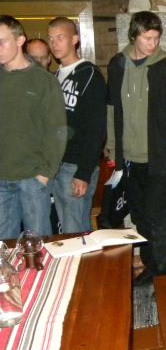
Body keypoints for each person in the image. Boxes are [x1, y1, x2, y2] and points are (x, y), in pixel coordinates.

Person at [107, 11, 166, 285]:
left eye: (156, 38)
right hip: (129, 159)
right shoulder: (117, 64)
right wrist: (114, 149)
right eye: (147, 38)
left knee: (159, 217)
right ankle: (150, 267)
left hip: (159, 158)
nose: (153, 44)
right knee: (139, 216)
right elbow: (111, 110)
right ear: (134, 36)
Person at [0, 15, 66, 239]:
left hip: (32, 178)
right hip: (1, 177)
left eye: (2, 42)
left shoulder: (43, 80)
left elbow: (57, 130)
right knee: (4, 248)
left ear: (20, 40)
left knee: (37, 245)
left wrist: (45, 173)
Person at [49, 17, 107, 233]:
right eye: (51, 39)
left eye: (60, 38)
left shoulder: (89, 74)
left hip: (77, 164)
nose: (54, 43)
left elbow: (96, 127)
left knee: (76, 231)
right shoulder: (56, 76)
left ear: (74, 39)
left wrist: (83, 172)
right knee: (66, 230)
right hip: (57, 163)